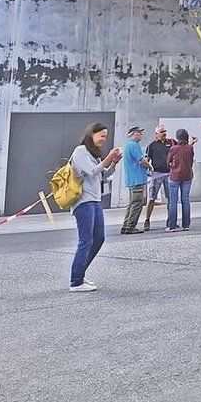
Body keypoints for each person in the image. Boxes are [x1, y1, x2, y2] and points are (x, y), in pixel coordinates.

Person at [69, 122, 121, 292]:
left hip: (95, 199)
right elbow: (92, 171)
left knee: (99, 238)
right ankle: (76, 281)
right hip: (83, 200)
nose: (104, 140)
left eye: (105, 136)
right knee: (86, 240)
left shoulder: (93, 153)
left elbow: (103, 174)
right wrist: (108, 158)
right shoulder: (81, 151)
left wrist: (113, 162)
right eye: (102, 136)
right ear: (92, 134)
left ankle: (80, 274)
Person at [119, 125, 152, 234]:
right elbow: (141, 160)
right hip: (137, 178)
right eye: (138, 133)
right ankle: (131, 226)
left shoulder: (128, 146)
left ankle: (126, 225)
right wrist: (150, 167)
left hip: (132, 179)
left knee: (132, 203)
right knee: (137, 204)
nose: (141, 135)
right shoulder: (134, 145)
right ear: (132, 134)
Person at [142, 125, 171, 232]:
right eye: (162, 131)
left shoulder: (170, 143)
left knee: (170, 198)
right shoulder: (152, 146)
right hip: (157, 173)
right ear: (157, 134)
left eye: (165, 131)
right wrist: (149, 168)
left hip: (168, 173)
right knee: (152, 197)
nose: (164, 133)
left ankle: (170, 220)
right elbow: (146, 159)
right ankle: (147, 220)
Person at [166, 128, 195, 231]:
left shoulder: (174, 148)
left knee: (173, 201)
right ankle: (186, 225)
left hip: (174, 176)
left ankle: (172, 225)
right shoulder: (190, 148)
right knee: (185, 200)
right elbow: (191, 159)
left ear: (177, 138)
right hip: (187, 175)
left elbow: (167, 161)